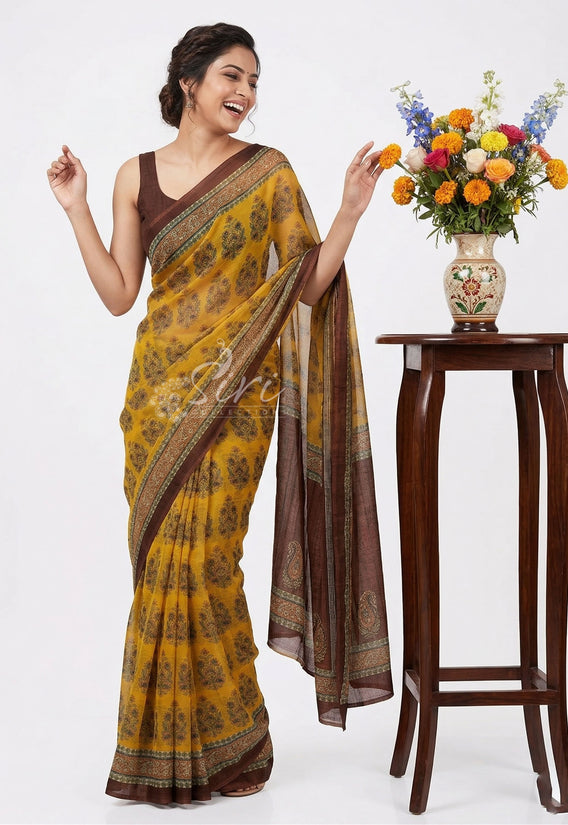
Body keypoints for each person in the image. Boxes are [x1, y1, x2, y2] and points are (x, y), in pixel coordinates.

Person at [47, 22, 393, 804]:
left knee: (208, 560)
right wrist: (75, 209)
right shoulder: (134, 176)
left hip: (238, 397)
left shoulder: (269, 172)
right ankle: (163, 750)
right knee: (162, 568)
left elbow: (306, 286)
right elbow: (119, 294)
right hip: (156, 398)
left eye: (253, 82)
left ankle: (237, 742)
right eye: (232, 76)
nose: (245, 92)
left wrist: (348, 213)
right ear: (190, 82)